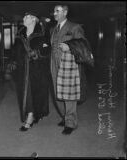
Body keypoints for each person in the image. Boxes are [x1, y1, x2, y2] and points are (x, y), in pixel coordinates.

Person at [50, 5, 93, 135]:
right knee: (57, 91)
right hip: (53, 62)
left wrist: (69, 47)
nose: (54, 13)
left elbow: (83, 43)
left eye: (57, 11)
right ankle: (64, 116)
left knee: (69, 94)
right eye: (54, 11)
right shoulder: (53, 29)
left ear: (65, 12)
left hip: (68, 64)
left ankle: (70, 122)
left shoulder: (74, 27)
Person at [9, 12, 51, 131]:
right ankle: (31, 114)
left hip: (38, 69)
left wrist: (37, 53)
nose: (23, 18)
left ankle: (32, 115)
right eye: (24, 16)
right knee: (25, 93)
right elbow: (14, 49)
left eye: (27, 17)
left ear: (34, 19)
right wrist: (12, 61)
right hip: (22, 69)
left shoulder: (42, 32)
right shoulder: (20, 33)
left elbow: (48, 49)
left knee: (35, 92)